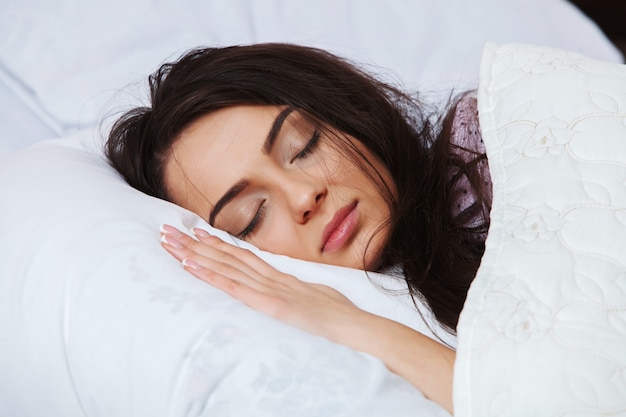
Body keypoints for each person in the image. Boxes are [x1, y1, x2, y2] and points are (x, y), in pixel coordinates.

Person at [105, 43, 492, 414]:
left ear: (347, 115)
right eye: (251, 216)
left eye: (303, 147)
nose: (305, 197)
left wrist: (349, 324)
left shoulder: (485, 148)